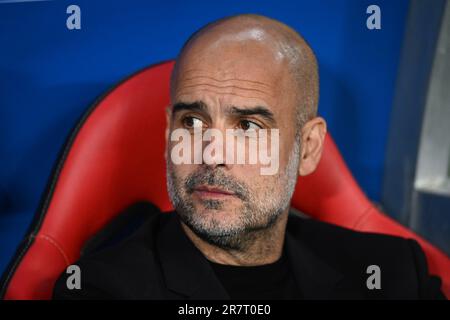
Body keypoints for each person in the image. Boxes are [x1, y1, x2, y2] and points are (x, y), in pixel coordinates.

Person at [53, 14, 444, 299]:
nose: (212, 154)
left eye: (249, 127)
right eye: (192, 121)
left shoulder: (393, 273)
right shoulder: (100, 290)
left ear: (307, 148)